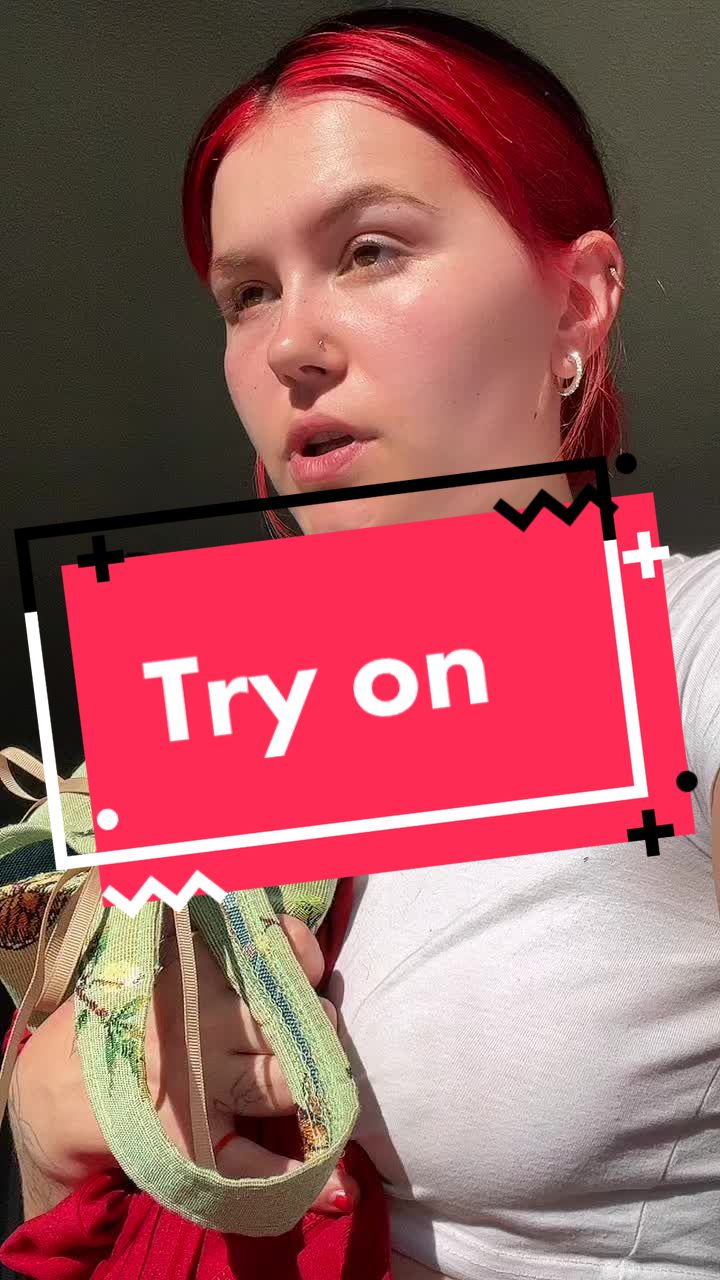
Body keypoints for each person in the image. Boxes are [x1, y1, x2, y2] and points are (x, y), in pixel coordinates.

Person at [2, 5, 720, 1278]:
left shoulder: (690, 651)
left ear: (578, 302)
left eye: (371, 250)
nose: (290, 344)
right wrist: (55, 1125)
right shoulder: (211, 712)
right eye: (249, 292)